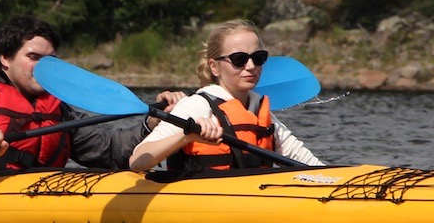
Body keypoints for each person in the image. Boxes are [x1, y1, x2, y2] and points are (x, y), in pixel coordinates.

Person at [0, 14, 184, 177]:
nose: (43, 68)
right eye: (33, 58)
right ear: (5, 59)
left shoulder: (58, 108)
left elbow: (111, 151)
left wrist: (153, 124)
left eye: (50, 60)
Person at [128, 19, 323, 174]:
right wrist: (185, 136)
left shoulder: (258, 108)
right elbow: (138, 160)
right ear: (214, 67)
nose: (251, 66)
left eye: (258, 58)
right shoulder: (196, 106)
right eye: (239, 59)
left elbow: (308, 164)